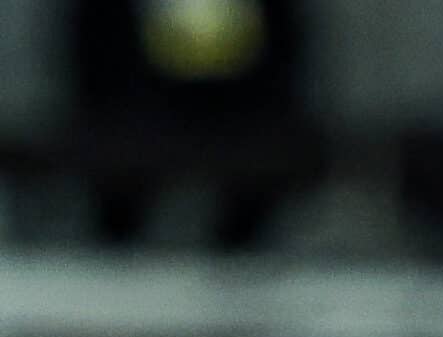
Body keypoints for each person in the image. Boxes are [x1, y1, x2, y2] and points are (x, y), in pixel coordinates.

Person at [59, 0, 315, 248]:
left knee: (260, 161)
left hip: (241, 109)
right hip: (139, 107)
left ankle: (237, 256)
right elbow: (94, 55)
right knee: (117, 165)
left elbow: (283, 52)